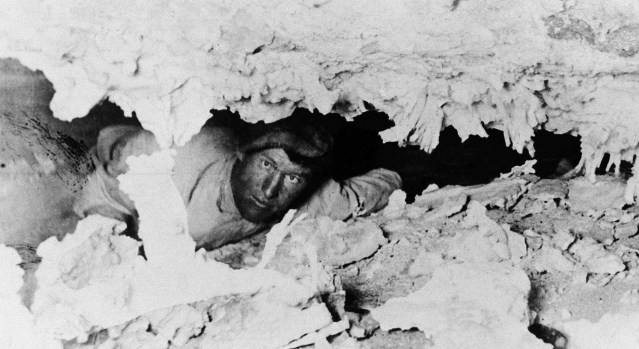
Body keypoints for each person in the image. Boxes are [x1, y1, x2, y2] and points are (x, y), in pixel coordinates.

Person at [73, 115, 402, 250]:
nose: (270, 191)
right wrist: (105, 231)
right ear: (242, 153)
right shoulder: (176, 155)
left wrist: (406, 173)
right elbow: (101, 189)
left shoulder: (310, 199)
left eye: (292, 178)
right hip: (100, 156)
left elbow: (371, 189)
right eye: (266, 164)